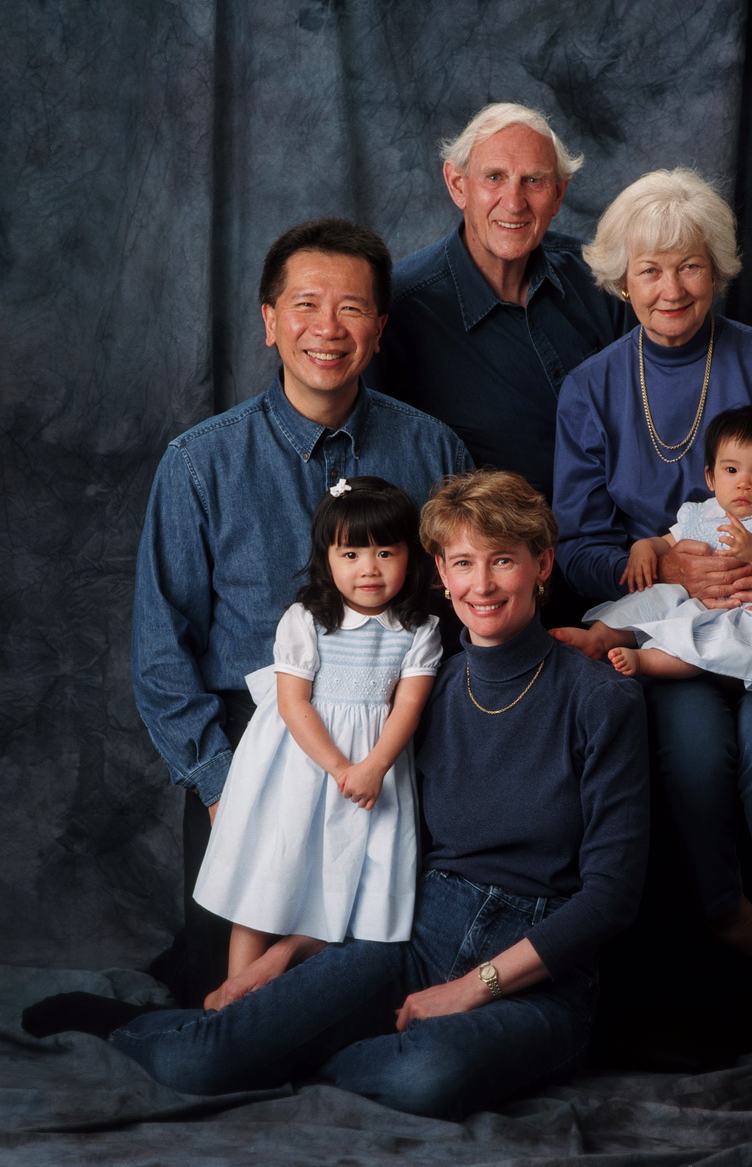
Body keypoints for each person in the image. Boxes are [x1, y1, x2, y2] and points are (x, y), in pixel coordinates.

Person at [25, 470, 650, 1120]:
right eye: (464, 563)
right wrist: (290, 953)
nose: (482, 585)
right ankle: (161, 1031)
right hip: (411, 940)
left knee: (426, 1076)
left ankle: (289, 1053)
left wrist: (472, 988)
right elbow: (382, 848)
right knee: (197, 1065)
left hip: (540, 976)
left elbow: (611, 896)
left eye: (503, 561)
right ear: (440, 572)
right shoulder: (426, 691)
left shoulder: (602, 701)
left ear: (542, 565)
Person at [553, 168, 752, 1047]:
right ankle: (728, 914)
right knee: (692, 755)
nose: (671, 289)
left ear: (717, 269)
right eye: (650, 269)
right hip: (671, 628)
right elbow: (577, 545)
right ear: (621, 278)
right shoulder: (590, 387)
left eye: (689, 266)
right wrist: (661, 562)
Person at [132, 218, 469, 1006]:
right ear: (269, 320)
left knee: (369, 984)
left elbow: (464, 616)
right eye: (306, 305)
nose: (328, 328)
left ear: (379, 329)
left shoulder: (434, 453)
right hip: (251, 744)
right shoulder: (199, 463)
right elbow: (161, 649)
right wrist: (224, 787)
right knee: (228, 994)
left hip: (394, 744)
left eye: (351, 309)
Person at [194, 477, 441, 1003]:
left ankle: (298, 1005)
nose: (368, 568)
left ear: (410, 556)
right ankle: (233, 1004)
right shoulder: (307, 620)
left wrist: (372, 767)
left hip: (375, 769)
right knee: (269, 881)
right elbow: (293, 704)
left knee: (351, 890)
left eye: (385, 552)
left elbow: (408, 707)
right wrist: (340, 767)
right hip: (299, 766)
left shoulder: (418, 629)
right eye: (351, 554)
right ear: (327, 559)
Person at [367, 102, 632, 500]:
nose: (514, 202)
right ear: (458, 185)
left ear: (558, 194)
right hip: (487, 537)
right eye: (494, 177)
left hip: (619, 528)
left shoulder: (600, 277)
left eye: (533, 181)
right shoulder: (399, 306)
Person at [566, 406, 752, 690]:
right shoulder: (701, 513)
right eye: (731, 470)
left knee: (710, 644)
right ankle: (600, 637)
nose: (744, 484)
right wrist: (643, 547)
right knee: (649, 599)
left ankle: (646, 660)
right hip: (692, 601)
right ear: (711, 477)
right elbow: (665, 543)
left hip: (742, 612)